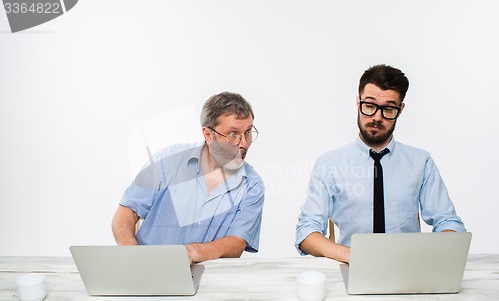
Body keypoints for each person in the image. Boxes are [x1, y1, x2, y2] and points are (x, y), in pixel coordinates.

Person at [295, 64, 465, 263]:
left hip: (409, 270)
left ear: (400, 110)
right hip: (352, 267)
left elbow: (448, 221)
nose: (377, 117)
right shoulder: (329, 164)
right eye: (370, 106)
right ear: (358, 103)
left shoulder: (421, 162)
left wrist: (430, 256)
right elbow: (307, 232)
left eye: (388, 109)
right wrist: (352, 256)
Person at [112, 92, 265, 263]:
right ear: (208, 135)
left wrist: (190, 253)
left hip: (208, 282)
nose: (243, 143)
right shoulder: (168, 160)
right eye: (233, 134)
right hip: (146, 273)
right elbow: (127, 211)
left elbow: (237, 243)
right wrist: (131, 253)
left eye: (248, 132)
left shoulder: (252, 185)